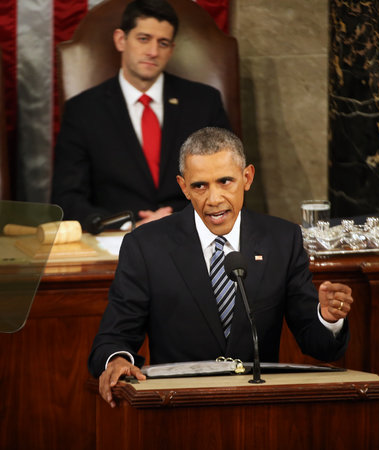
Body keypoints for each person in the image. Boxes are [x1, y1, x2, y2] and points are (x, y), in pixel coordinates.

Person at [89, 127, 354, 408]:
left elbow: (318, 345)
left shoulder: (281, 240)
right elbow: (113, 337)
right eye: (199, 186)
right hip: (178, 411)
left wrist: (327, 318)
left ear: (247, 177)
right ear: (183, 187)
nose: (214, 199)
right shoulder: (146, 246)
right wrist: (117, 359)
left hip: (259, 410)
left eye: (225, 181)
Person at [52, 0, 231, 230]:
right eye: (144, 39)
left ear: (171, 50)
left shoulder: (204, 103)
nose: (153, 52)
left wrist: (181, 220)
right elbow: (67, 199)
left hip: (193, 235)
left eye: (163, 43)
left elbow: (227, 183)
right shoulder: (83, 110)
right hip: (117, 242)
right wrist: (130, 225)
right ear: (120, 40)